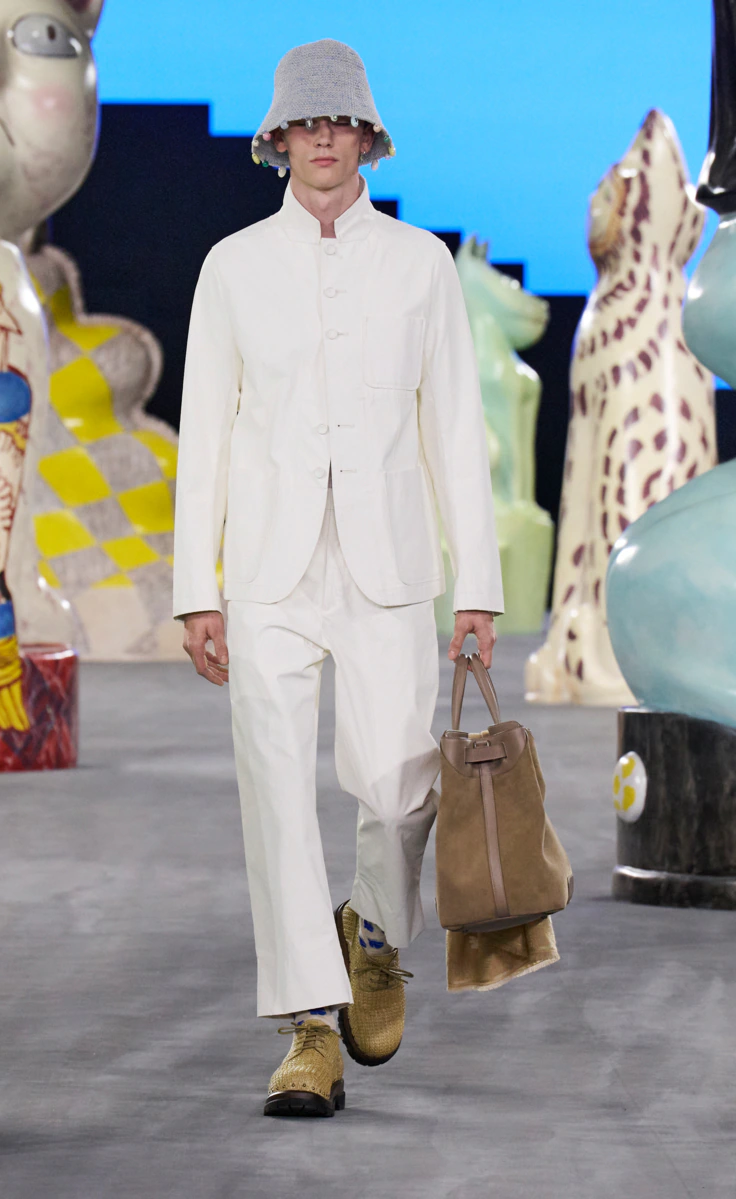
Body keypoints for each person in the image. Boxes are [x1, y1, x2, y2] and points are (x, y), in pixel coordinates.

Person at [173, 38, 504, 1118]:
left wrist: (477, 583)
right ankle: (309, 1030)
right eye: (303, 122)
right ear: (277, 139)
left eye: (339, 121)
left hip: (389, 563)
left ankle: (372, 931)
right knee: (273, 790)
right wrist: (195, 588)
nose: (322, 138)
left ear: (367, 136)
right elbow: (205, 435)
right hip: (268, 568)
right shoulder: (231, 266)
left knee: (400, 783)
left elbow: (454, 428)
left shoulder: (419, 264)